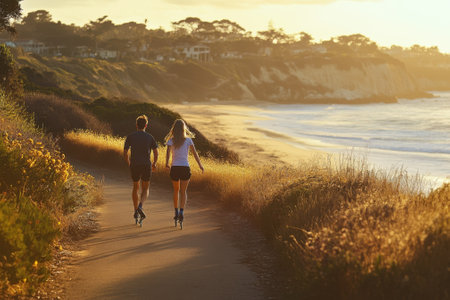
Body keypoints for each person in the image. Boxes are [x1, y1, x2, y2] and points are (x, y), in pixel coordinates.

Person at [165, 119, 204, 226]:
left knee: (176, 190)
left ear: (174, 129)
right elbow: (195, 154)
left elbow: (167, 154)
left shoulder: (171, 141)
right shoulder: (188, 140)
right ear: (183, 129)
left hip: (175, 168)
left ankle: (176, 211)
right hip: (185, 168)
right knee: (183, 191)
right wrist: (200, 166)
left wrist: (167, 163)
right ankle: (182, 212)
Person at [123, 115, 158, 225]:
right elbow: (156, 152)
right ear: (146, 125)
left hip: (135, 165)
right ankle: (140, 206)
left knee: (135, 187)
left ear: (136, 125)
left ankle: (135, 211)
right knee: (145, 189)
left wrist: (129, 163)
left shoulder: (130, 136)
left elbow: (125, 152)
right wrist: (154, 163)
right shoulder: (150, 137)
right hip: (146, 165)